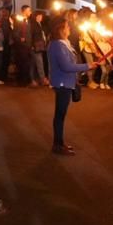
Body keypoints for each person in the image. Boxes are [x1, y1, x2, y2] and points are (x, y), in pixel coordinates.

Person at [47, 18, 99, 155]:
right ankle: (57, 145)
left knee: (61, 114)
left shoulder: (64, 44)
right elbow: (66, 66)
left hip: (66, 82)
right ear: (60, 29)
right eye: (67, 26)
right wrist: (87, 66)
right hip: (62, 83)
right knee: (60, 114)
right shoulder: (57, 45)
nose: (69, 28)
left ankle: (59, 143)